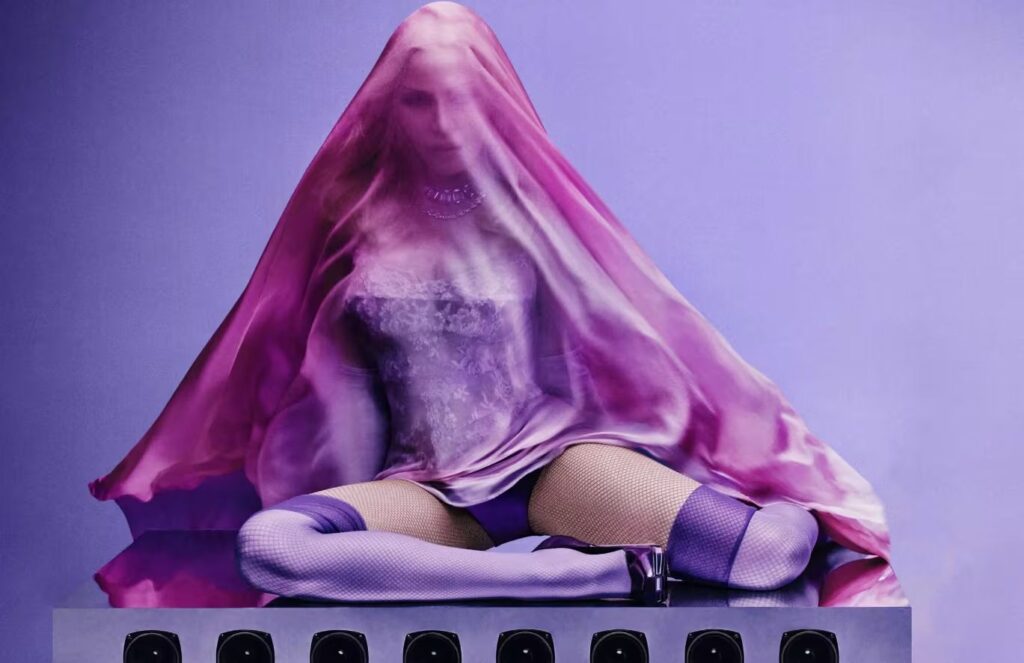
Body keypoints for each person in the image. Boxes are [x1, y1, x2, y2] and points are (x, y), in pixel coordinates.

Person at [88, 1, 891, 606]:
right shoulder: (350, 223)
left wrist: (733, 470)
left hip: (554, 466)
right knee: (271, 547)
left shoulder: (533, 215)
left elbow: (635, 344)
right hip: (427, 489)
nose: (442, 123)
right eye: (418, 100)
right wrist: (337, 498)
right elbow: (317, 383)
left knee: (767, 555)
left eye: (459, 98)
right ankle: (571, 579)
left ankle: (717, 524)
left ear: (489, 99)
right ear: (388, 105)